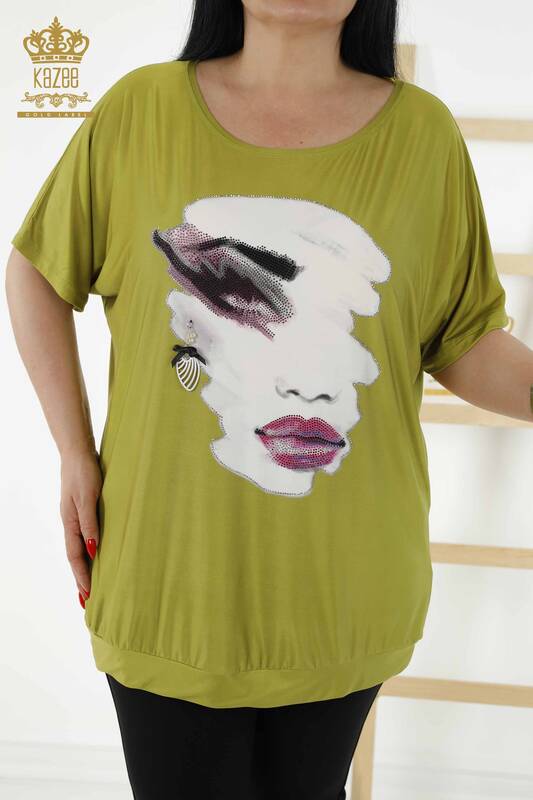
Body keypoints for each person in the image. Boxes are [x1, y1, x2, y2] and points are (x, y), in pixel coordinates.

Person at [5, 1, 533, 798]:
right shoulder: (139, 112)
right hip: (167, 577)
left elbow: (461, 340)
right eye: (247, 308)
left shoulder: (421, 136)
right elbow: (38, 270)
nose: (310, 378)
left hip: (345, 585)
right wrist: (74, 452)